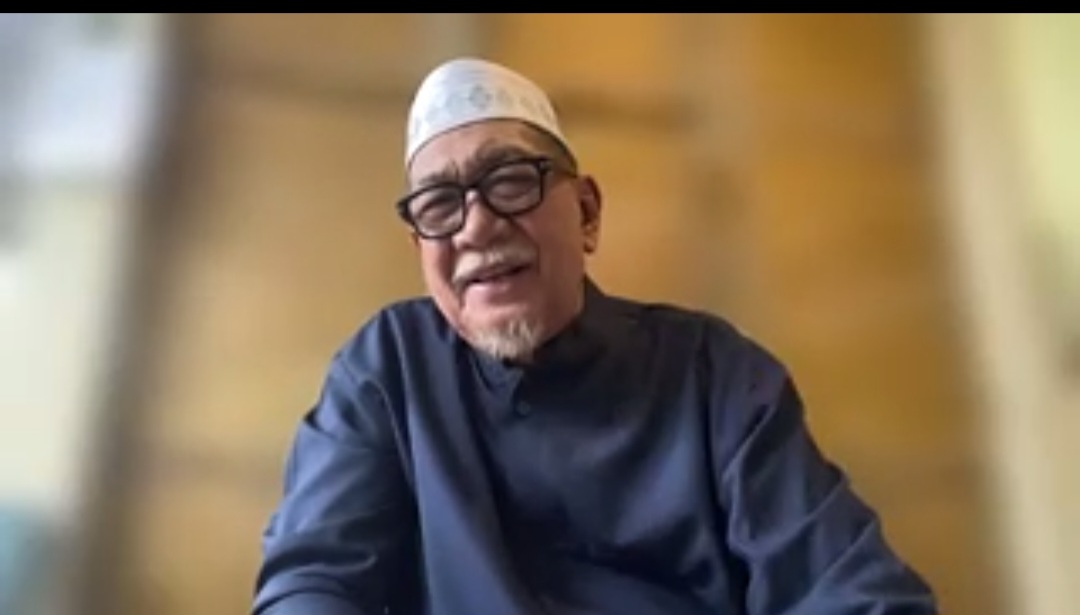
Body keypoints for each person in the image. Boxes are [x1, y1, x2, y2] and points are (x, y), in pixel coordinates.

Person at [251, 57, 938, 615]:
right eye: (439, 204)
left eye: (510, 181)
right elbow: (314, 579)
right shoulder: (389, 369)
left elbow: (850, 590)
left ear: (586, 213)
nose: (475, 226)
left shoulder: (714, 375)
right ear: (421, 249)